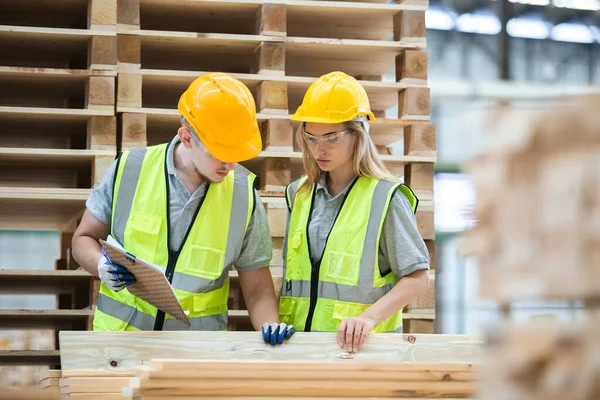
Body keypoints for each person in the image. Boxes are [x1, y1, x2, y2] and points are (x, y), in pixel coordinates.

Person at [72, 72, 293, 344]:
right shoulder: (130, 169)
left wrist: (270, 327)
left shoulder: (243, 195)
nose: (229, 165)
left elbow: (257, 285)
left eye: (235, 153)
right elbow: (83, 238)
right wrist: (100, 265)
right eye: (218, 153)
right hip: (121, 347)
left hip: (196, 353)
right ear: (186, 137)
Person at [279, 71, 430, 353]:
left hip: (361, 352)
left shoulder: (386, 197)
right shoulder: (298, 194)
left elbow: (418, 277)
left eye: (332, 138)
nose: (319, 149)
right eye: (311, 138)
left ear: (358, 134)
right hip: (300, 350)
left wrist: (367, 318)